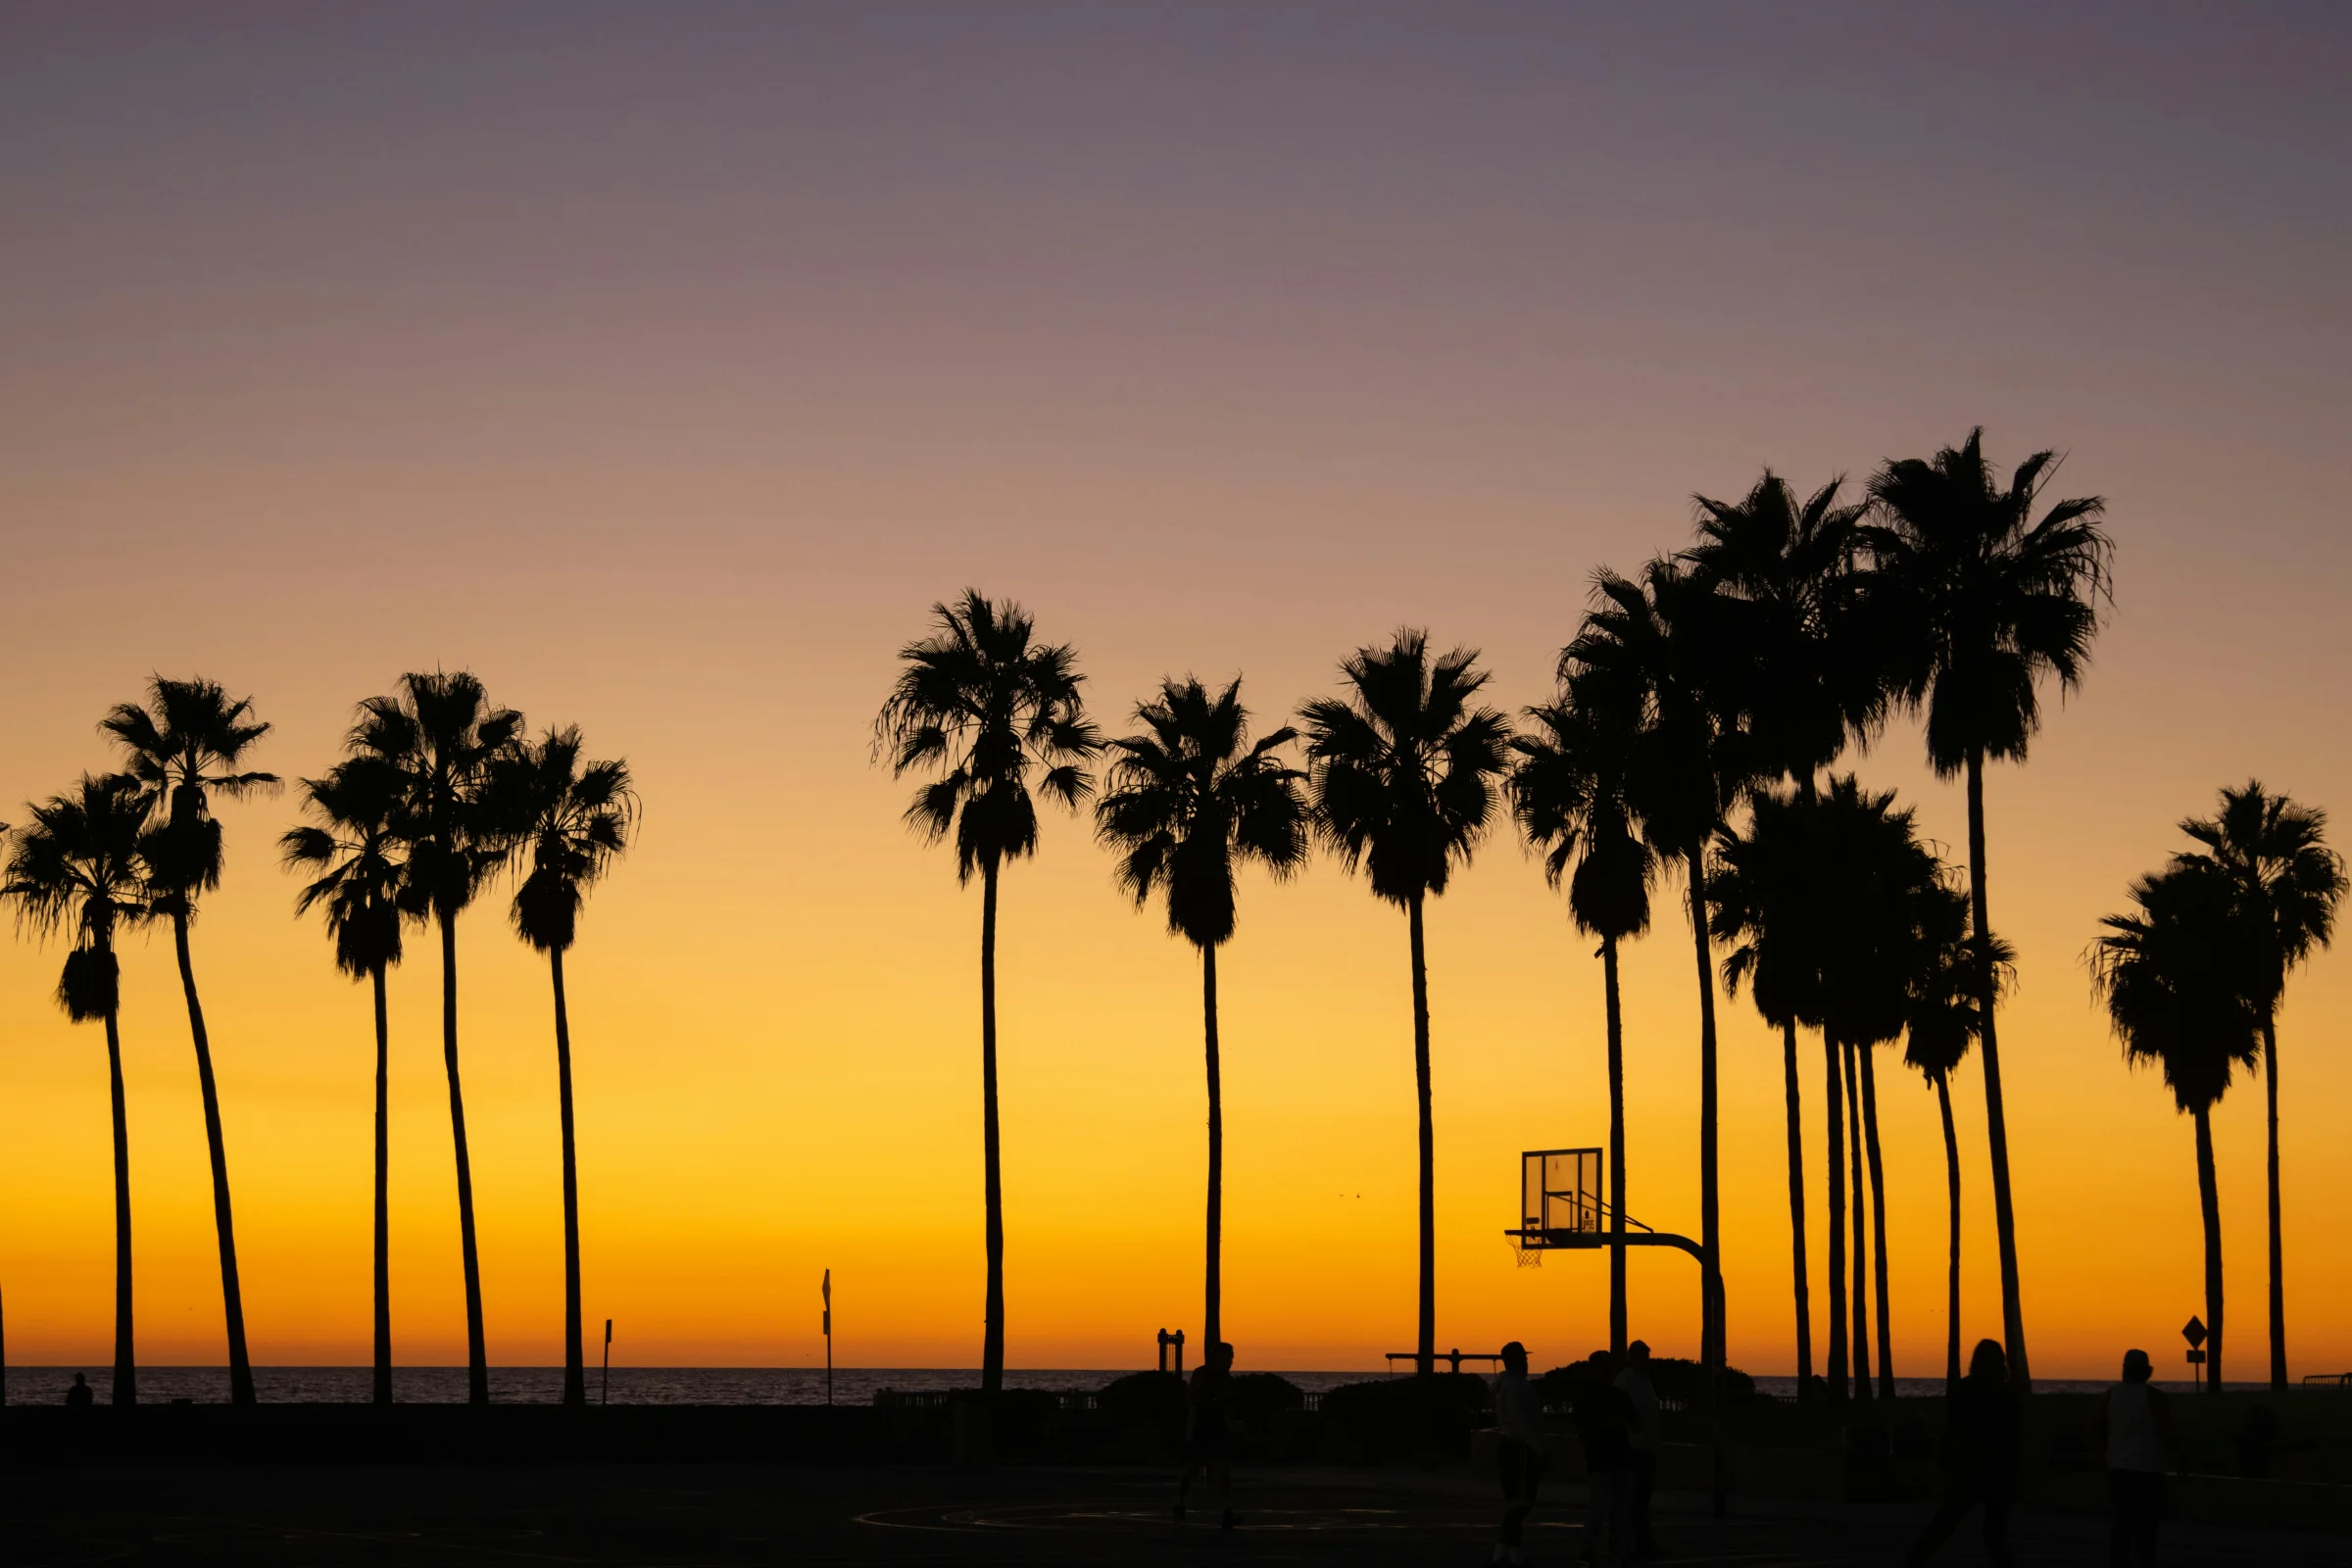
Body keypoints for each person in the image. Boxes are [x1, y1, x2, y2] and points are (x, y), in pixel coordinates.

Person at [1904, 1339, 2020, 1566]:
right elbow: (2014, 1434)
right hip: (1997, 1468)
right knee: (1995, 1534)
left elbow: (1953, 1427)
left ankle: (1914, 1560)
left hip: (1968, 1465)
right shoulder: (2006, 1394)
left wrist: (1944, 1459)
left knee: (1946, 1521)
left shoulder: (1965, 1389)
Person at [2092, 1348, 2170, 1567]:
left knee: (2121, 1529)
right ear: (2148, 1372)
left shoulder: (2110, 1396)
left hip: (2120, 1471)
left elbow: (2096, 1429)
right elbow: (2168, 1432)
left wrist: (2101, 1459)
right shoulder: (2155, 1398)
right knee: (2147, 1532)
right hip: (2149, 1472)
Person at [1572, 1351, 1636, 1567]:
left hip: (1602, 1458)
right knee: (1616, 1508)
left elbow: (1580, 1429)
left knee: (1600, 1508)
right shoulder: (1618, 1396)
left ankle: (1590, 1550)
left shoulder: (1586, 1398)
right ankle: (1614, 1551)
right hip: (1616, 1457)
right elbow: (1637, 1424)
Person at [1493, 1341, 1548, 1566]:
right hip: (1521, 1447)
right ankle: (1508, 1546)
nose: (1526, 1362)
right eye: (1523, 1358)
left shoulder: (1508, 1385)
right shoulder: (1516, 1387)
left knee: (1518, 1500)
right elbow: (1523, 1423)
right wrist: (1541, 1449)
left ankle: (1507, 1547)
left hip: (1513, 1445)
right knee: (1522, 1501)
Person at [1175, 1340, 1235, 1530]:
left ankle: (1226, 1510)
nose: (1231, 1361)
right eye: (1228, 1357)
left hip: (1217, 1427)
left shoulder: (1226, 1378)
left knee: (1221, 1469)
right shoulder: (1202, 1374)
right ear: (1218, 1357)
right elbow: (1193, 1400)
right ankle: (1180, 1502)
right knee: (1194, 1469)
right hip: (1202, 1426)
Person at [1613, 1341, 1661, 1559]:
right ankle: (1632, 1544)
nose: (1647, 1362)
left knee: (1642, 1501)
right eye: (1644, 1357)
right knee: (1633, 1501)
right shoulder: (1627, 1379)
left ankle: (1641, 1542)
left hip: (1647, 1449)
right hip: (1634, 1450)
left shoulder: (1645, 1381)